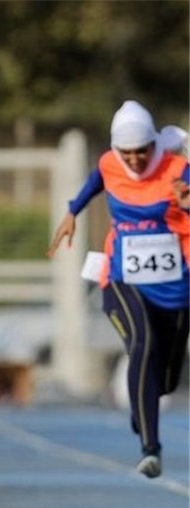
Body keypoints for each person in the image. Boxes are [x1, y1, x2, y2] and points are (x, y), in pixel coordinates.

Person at [47, 100, 189, 479]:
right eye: (127, 152)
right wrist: (72, 212)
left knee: (165, 379)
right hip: (121, 277)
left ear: (154, 145)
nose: (134, 160)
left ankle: (143, 403)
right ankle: (151, 448)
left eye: (141, 151)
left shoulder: (177, 170)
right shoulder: (110, 164)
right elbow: (95, 182)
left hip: (175, 286)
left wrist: (188, 204)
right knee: (142, 343)